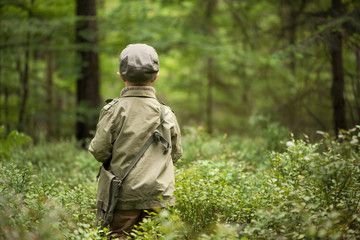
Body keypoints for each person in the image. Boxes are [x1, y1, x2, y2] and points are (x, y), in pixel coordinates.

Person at [88, 43, 183, 239]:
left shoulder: (113, 111)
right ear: (155, 77)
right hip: (160, 197)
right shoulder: (166, 113)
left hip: (123, 197)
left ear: (121, 76)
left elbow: (99, 152)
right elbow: (176, 154)